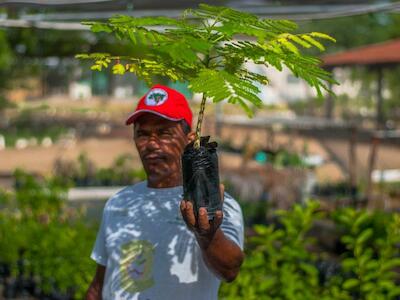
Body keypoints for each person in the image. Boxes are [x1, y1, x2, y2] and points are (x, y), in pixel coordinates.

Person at [86, 85, 244, 300]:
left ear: (190, 140)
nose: (151, 144)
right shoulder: (120, 202)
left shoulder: (215, 207)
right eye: (142, 134)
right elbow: (100, 285)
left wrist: (206, 235)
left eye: (164, 133)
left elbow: (230, 270)